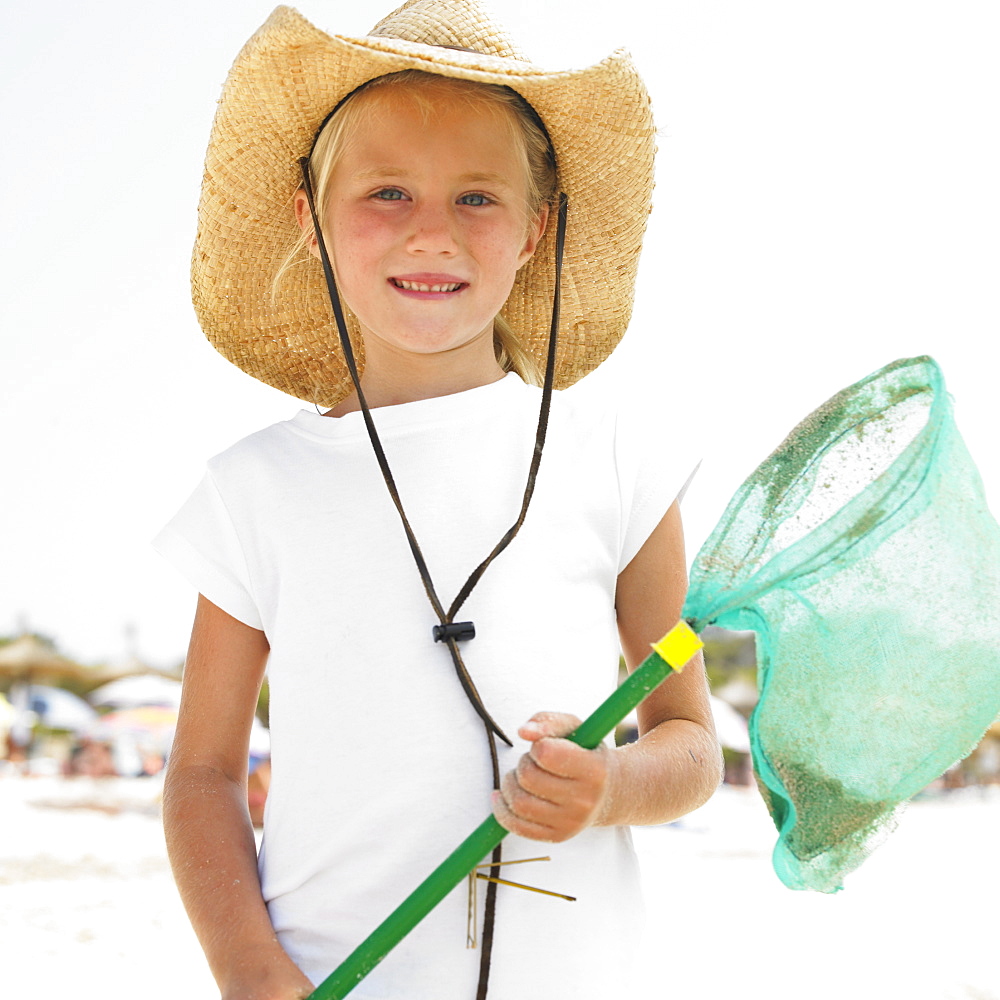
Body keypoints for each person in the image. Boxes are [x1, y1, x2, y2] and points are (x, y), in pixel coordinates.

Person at [155, 2, 722, 998]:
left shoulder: (615, 459)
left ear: (535, 231)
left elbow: (688, 742)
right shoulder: (254, 489)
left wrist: (612, 785)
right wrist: (245, 964)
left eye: (475, 198)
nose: (431, 230)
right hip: (335, 975)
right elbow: (203, 773)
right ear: (310, 220)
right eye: (386, 191)